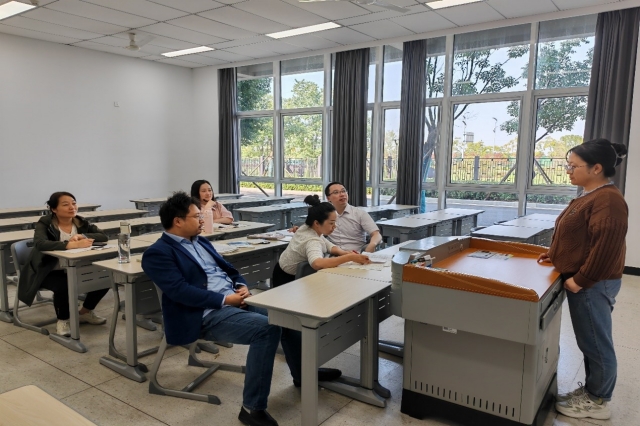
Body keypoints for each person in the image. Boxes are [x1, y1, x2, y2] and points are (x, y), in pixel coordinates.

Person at [141, 192, 341, 426]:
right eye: (197, 216)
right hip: (204, 314)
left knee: (288, 317)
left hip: (235, 300)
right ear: (178, 221)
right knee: (266, 329)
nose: (203, 220)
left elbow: (230, 269)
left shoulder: (201, 241)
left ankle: (304, 375)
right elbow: (180, 292)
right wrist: (226, 300)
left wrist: (241, 286)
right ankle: (252, 408)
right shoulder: (158, 253)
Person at [537, 139, 628, 420]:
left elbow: (606, 247)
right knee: (590, 340)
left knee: (596, 343)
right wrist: (555, 254)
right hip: (588, 281)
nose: (568, 171)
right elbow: (579, 235)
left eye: (573, 166)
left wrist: (581, 280)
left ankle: (598, 401)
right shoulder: (592, 194)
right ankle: (592, 392)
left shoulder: (608, 200)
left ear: (596, 168)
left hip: (593, 283)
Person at [17, 192, 109, 337]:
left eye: (74, 203)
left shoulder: (80, 222)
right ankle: (63, 320)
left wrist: (83, 235)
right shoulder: (45, 223)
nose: (72, 207)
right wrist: (69, 245)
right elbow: (40, 244)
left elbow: (104, 236)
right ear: (54, 209)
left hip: (75, 268)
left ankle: (85, 312)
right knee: (64, 285)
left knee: (105, 277)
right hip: (46, 270)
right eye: (66, 204)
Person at [273, 195, 371, 287]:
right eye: (331, 223)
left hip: (286, 272)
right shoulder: (312, 241)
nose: (335, 226)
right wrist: (349, 257)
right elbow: (317, 263)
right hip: (288, 280)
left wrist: (342, 252)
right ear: (317, 223)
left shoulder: (308, 227)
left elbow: (325, 242)